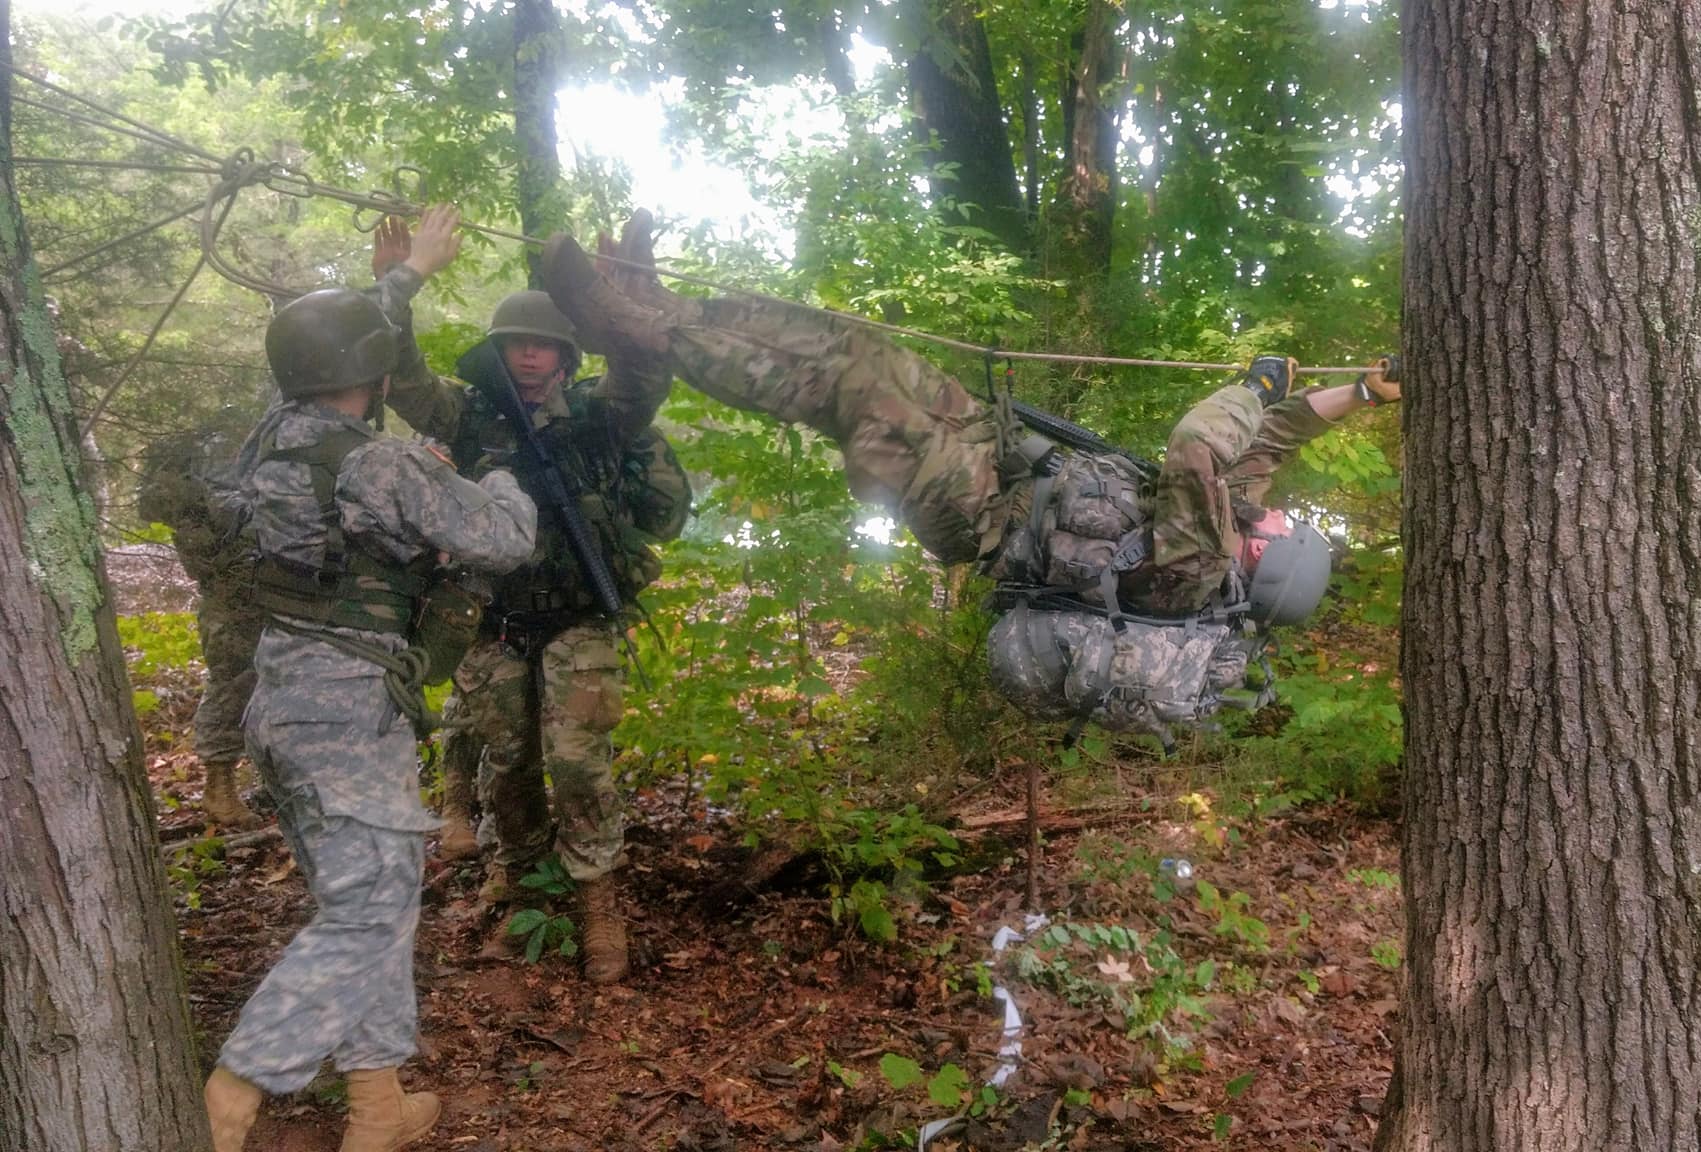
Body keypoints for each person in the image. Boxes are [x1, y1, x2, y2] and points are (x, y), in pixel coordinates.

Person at [537, 224, 1400, 742]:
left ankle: (645, 334)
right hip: (992, 466)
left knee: (846, 384)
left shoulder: (1199, 559)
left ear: (1264, 556)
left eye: (1290, 529)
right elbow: (1271, 442)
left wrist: (1251, 385)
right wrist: (1362, 392)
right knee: (859, 350)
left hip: (975, 505)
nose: (1285, 512)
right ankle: (661, 315)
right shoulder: (1225, 533)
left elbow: (1197, 445)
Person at [202, 224, 538, 1152]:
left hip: (281, 696)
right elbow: (505, 540)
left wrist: (405, 278)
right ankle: (230, 1098)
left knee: (370, 899)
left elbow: (349, 351)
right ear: (381, 377)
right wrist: (503, 471)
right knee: (369, 907)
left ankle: (377, 1109)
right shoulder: (379, 464)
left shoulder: (269, 440)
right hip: (347, 709)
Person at [366, 207, 689, 984]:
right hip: (494, 621)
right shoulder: (468, 414)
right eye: (516, 344)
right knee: (506, 764)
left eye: (543, 343)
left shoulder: (600, 418)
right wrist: (395, 287)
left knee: (580, 764)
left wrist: (625, 307)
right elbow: (399, 374)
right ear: (499, 352)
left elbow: (646, 374)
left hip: (579, 617)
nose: (530, 356)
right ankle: (517, 887)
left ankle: (597, 896)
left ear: (569, 354)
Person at [137, 413, 265, 829]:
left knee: (253, 679)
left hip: (240, 585)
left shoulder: (224, 452)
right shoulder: (219, 457)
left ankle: (251, 782)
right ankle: (219, 789)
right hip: (232, 590)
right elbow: (231, 513)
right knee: (233, 680)